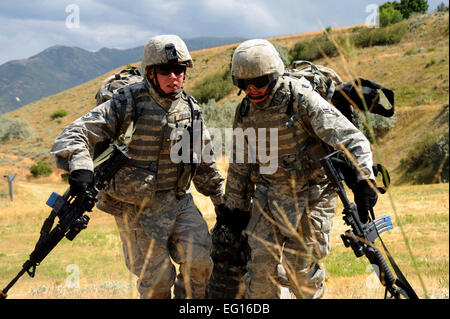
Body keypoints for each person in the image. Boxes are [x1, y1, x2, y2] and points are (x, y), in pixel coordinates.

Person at [50, 35, 225, 299]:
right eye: (165, 71)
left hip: (178, 201)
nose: (174, 77)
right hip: (136, 208)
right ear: (150, 73)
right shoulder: (126, 102)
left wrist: (221, 201)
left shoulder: (189, 108)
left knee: (201, 262)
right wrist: (81, 168)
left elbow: (204, 160)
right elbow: (74, 133)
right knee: (157, 281)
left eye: (179, 70)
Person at [214, 39, 378, 299]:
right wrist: (233, 210)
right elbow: (240, 164)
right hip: (270, 194)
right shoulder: (245, 111)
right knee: (258, 269)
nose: (253, 89)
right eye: (245, 84)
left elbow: (351, 138)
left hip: (313, 194)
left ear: (275, 74)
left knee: (299, 270)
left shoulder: (300, 99)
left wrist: (364, 180)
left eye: (261, 81)